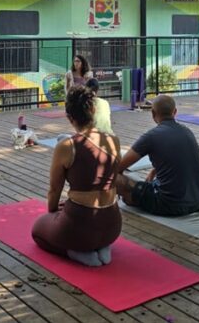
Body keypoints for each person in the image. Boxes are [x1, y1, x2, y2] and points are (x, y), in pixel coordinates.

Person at [31, 86, 122, 267]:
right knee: (87, 222)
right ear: (93, 110)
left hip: (79, 227)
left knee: (38, 230)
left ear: (69, 117)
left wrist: (53, 213)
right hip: (113, 225)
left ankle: (76, 252)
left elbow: (55, 189)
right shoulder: (114, 140)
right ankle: (102, 247)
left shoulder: (67, 145)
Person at [115, 95, 199, 217]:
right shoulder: (187, 131)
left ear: (153, 113)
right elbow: (176, 159)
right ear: (175, 112)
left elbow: (119, 167)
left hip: (169, 204)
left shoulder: (151, 136)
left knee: (113, 177)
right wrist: (153, 172)